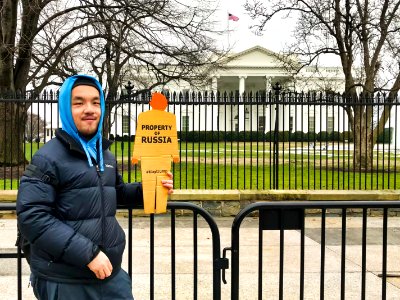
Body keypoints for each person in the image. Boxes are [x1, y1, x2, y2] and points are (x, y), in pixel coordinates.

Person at [16, 74, 174, 300]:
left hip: (110, 274)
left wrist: (151, 188)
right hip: (66, 279)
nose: (89, 109)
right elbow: (33, 216)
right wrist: (89, 255)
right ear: (65, 108)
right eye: (79, 103)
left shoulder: (104, 154)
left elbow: (115, 192)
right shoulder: (47, 158)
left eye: (95, 102)